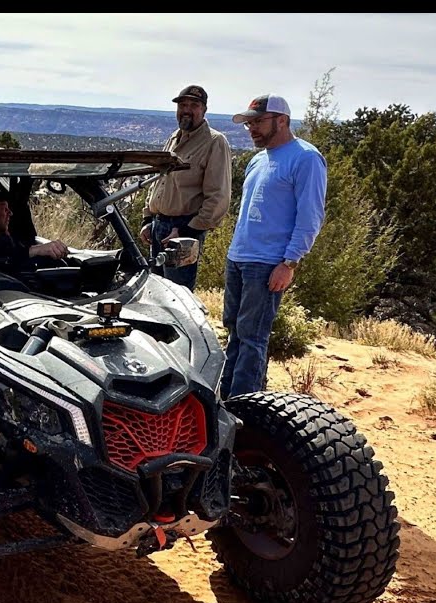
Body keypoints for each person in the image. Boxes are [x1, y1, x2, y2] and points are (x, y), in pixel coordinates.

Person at [219, 94, 327, 398]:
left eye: (258, 122)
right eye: (249, 123)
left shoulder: (305, 158)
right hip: (239, 257)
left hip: (267, 262)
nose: (252, 128)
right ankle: (226, 400)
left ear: (282, 120)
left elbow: (311, 215)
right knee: (235, 332)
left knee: (252, 337)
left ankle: (244, 407)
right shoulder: (258, 159)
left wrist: (289, 262)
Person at [140, 84, 233, 291]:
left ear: (204, 110)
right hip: (159, 225)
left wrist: (185, 232)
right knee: (155, 291)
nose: (186, 110)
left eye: (194, 105)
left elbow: (218, 197)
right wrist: (148, 219)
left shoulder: (214, 142)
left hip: (184, 229)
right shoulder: (174, 137)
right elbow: (159, 181)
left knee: (176, 294)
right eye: (182, 105)